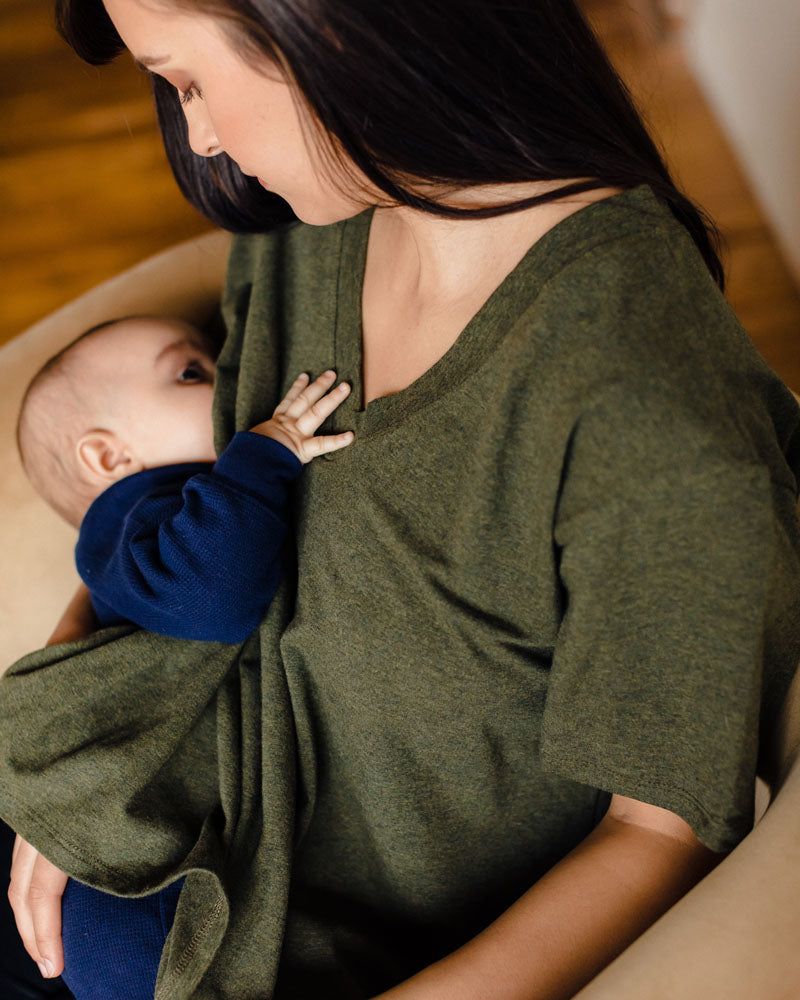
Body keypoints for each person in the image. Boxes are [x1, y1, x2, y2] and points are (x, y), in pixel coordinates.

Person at [4, 1, 800, 1000]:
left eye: (187, 79)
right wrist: (77, 742)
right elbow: (167, 506)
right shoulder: (315, 222)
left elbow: (657, 832)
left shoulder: (645, 415)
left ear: (325, 28)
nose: (198, 134)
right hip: (159, 828)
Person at [16, 314, 353, 641]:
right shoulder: (120, 539)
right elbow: (211, 600)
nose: (227, 381)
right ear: (110, 456)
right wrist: (264, 457)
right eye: (190, 373)